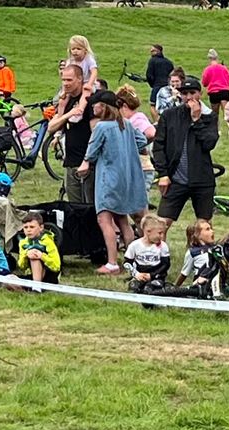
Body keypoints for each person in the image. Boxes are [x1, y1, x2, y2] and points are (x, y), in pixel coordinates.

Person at [77, 90, 148, 274]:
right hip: (127, 178)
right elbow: (142, 140)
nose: (93, 107)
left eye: (96, 104)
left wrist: (85, 164)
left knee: (104, 219)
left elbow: (91, 152)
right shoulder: (126, 124)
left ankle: (112, 263)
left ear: (104, 106)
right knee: (122, 218)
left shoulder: (102, 127)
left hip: (108, 178)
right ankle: (131, 261)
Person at [153, 76, 219, 227]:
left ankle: (199, 250)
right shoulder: (170, 115)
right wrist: (163, 174)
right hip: (175, 178)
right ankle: (156, 251)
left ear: (200, 94)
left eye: (192, 92)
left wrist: (197, 120)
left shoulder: (210, 116)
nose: (188, 97)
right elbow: (158, 146)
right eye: (184, 93)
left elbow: (209, 143)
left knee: (204, 225)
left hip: (202, 179)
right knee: (161, 224)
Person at [49, 65, 96, 205]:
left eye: (69, 80)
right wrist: (68, 114)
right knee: (74, 207)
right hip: (70, 162)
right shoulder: (65, 100)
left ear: (80, 79)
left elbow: (96, 134)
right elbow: (51, 127)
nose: (65, 83)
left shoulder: (89, 101)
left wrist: (87, 161)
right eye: (63, 80)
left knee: (91, 207)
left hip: (88, 164)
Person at [117, 85, 157, 190]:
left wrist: (137, 145)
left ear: (124, 106)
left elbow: (151, 133)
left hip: (141, 167)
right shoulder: (137, 117)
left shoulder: (137, 119)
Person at [124, 215, 171, 293]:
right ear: (148, 231)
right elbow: (127, 263)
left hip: (156, 276)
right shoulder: (134, 245)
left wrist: (152, 275)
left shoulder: (163, 246)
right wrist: (136, 274)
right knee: (134, 288)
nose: (162, 236)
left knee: (150, 289)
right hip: (140, 274)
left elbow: (166, 265)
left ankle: (164, 287)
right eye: (159, 233)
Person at [15, 212, 61, 284]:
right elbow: (21, 266)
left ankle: (36, 288)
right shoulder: (23, 243)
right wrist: (26, 255)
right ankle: (31, 286)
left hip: (49, 276)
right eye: (25, 227)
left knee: (34, 256)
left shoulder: (48, 242)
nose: (28, 230)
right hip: (31, 275)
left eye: (32, 227)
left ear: (41, 227)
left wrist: (41, 256)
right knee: (10, 281)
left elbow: (56, 266)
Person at [174, 219, 215, 289]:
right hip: (201, 284)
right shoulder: (193, 252)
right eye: (207, 229)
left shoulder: (215, 248)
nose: (212, 231)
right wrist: (175, 287)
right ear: (197, 235)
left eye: (211, 228)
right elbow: (184, 273)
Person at [67, 35, 99, 116]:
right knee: (63, 99)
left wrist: (90, 84)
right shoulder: (70, 61)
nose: (75, 51)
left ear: (85, 50)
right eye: (73, 49)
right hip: (75, 85)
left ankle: (80, 110)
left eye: (78, 49)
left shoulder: (88, 59)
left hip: (87, 83)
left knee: (86, 92)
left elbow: (94, 72)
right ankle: (60, 114)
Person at [201, 49, 229, 129]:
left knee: (215, 113)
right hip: (224, 91)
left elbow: (204, 83)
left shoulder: (207, 69)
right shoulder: (224, 68)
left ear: (209, 59)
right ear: (217, 58)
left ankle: (216, 129)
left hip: (213, 93)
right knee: (227, 111)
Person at [145, 44, 174, 114]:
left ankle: (157, 122)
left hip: (157, 86)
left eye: (153, 51)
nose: (151, 52)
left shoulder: (152, 61)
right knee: (168, 105)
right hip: (167, 86)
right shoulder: (169, 62)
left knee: (153, 105)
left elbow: (149, 75)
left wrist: (152, 84)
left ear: (159, 51)